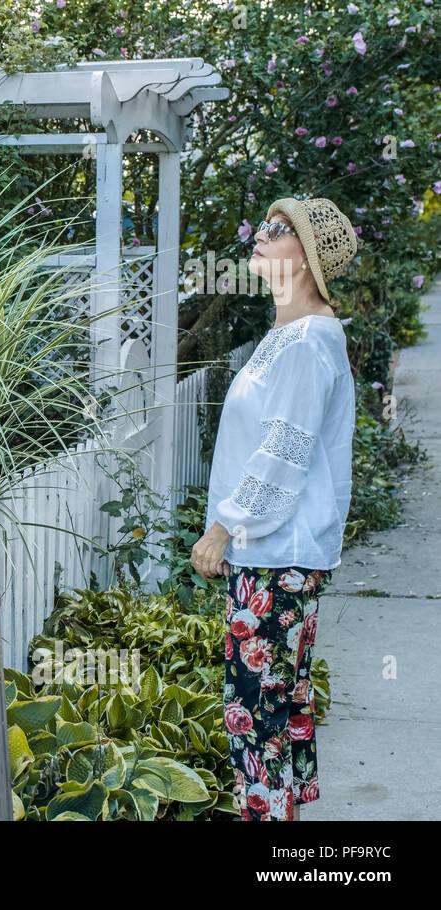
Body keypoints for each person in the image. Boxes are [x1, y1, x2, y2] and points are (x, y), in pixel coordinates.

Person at [190, 197, 358, 821]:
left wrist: (227, 525)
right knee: (274, 720)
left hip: (275, 559)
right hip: (272, 558)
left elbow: (283, 450)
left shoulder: (309, 341)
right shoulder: (289, 336)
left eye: (281, 230)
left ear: (309, 260)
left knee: (258, 729)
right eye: (265, 225)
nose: (262, 235)